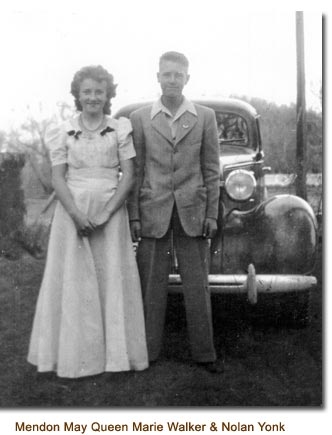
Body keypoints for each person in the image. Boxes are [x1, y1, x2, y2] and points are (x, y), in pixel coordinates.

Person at [27, 65, 148, 378]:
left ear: (108, 95)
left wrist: (107, 213)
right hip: (73, 215)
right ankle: (74, 356)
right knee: (73, 281)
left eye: (99, 91)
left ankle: (116, 357)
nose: (93, 97)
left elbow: (129, 175)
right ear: (77, 96)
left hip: (111, 213)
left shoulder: (120, 129)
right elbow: (57, 177)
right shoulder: (63, 131)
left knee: (111, 279)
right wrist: (77, 215)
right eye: (87, 92)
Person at [128, 51, 223, 373]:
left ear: (187, 79)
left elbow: (211, 169)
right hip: (152, 208)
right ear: (157, 76)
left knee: (198, 286)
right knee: (150, 286)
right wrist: (134, 215)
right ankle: (148, 353)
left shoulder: (205, 117)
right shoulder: (140, 118)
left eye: (178, 75)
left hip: (193, 210)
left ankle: (204, 354)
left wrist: (212, 213)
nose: (172, 80)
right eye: (166, 74)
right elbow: (136, 169)